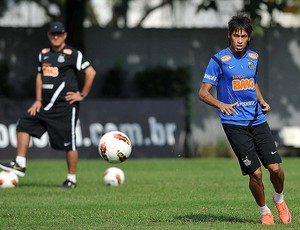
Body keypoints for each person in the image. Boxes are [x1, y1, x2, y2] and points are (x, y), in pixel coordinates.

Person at [198, 13, 292, 225]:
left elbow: (252, 82)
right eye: (236, 35)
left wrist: (262, 100)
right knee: (256, 174)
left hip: (257, 120)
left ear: (249, 37)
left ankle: (279, 199)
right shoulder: (218, 60)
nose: (239, 40)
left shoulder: (254, 58)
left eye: (244, 36)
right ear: (229, 36)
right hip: (234, 125)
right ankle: (264, 211)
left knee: (275, 168)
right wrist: (221, 104)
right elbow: (203, 93)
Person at [0, 21, 96, 188]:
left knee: (70, 143)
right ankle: (20, 163)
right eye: (53, 34)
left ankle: (71, 179)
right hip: (45, 105)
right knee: (24, 122)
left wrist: (82, 94)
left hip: (65, 106)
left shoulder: (72, 54)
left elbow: (90, 72)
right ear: (49, 36)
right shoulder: (44, 54)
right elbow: (39, 76)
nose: (56, 36)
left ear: (65, 35)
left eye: (59, 34)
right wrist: (37, 100)